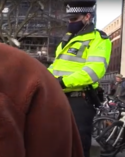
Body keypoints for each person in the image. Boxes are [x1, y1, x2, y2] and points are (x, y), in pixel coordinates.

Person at [47, 1, 112, 157]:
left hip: (79, 101)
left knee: (78, 147)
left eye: (74, 18)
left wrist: (61, 82)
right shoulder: (67, 40)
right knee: (55, 142)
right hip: (58, 97)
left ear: (87, 16)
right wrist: (43, 78)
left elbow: (93, 71)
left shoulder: (99, 40)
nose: (70, 22)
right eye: (69, 19)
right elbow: (55, 67)